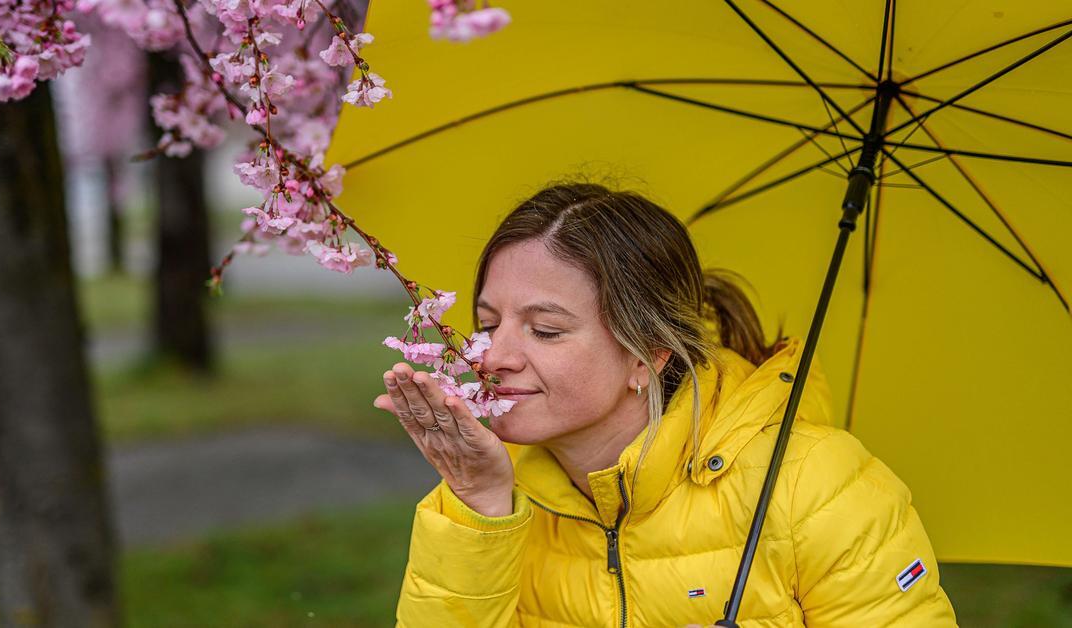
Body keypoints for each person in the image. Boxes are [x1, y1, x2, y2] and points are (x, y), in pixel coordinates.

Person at [372, 182, 957, 627]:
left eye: (545, 330)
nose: (494, 356)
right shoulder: (497, 496)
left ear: (646, 356)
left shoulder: (814, 487)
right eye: (487, 324)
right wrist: (479, 506)